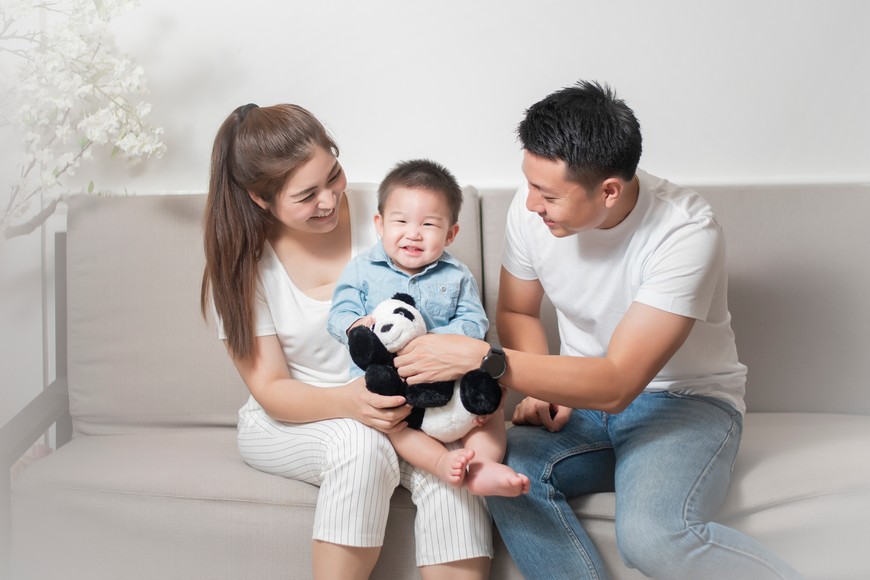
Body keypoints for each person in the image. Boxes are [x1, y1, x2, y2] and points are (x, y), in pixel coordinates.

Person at [392, 82, 802, 579]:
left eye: (548, 195)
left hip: (685, 404)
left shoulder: (685, 232)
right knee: (501, 475)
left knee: (653, 537)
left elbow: (618, 382)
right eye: (530, 185)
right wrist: (545, 387)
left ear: (609, 190)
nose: (531, 205)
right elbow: (519, 311)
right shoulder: (532, 210)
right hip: (582, 405)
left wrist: (484, 359)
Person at [200, 103, 493, 580]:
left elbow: (445, 303)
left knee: (454, 471)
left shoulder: (390, 216)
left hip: (393, 412)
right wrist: (351, 403)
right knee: (360, 444)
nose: (329, 200)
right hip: (292, 416)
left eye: (333, 175)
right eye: (306, 195)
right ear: (260, 198)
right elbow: (271, 387)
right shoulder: (243, 268)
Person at [327, 158, 530, 498]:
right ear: (380, 224)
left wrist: (434, 341)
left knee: (489, 409)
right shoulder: (361, 270)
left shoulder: (457, 275)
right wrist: (355, 326)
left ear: (451, 234)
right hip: (392, 383)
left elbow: (474, 322)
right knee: (393, 422)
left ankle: (483, 465)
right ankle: (440, 462)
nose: (413, 233)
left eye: (429, 224)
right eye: (401, 221)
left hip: (447, 377)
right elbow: (339, 312)